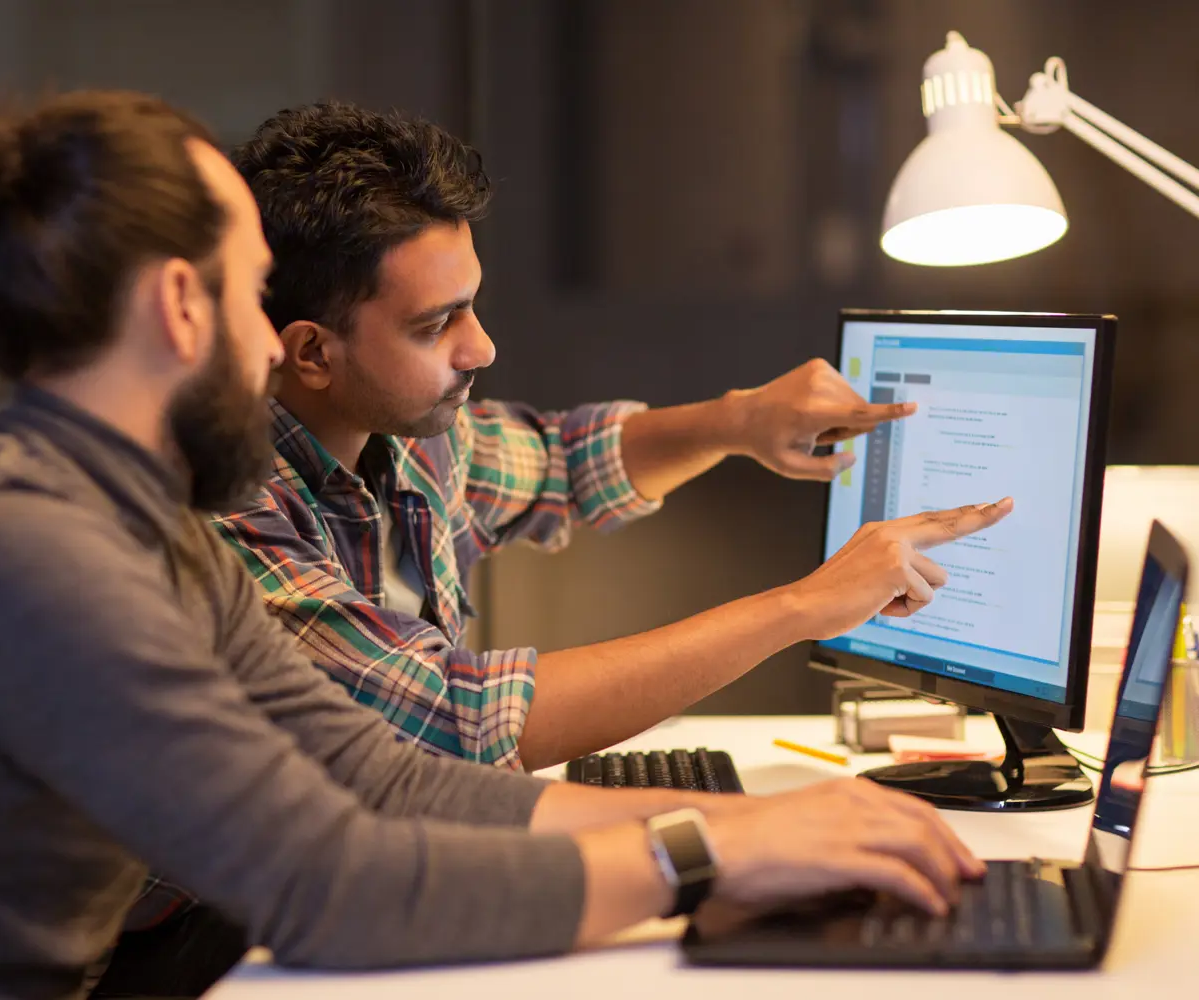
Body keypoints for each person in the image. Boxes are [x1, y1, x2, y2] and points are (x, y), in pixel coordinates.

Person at [0, 88, 995, 1000]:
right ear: (187, 306)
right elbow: (334, 881)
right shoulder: (25, 553)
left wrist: (789, 827)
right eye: (244, 289)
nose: (268, 342)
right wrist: (706, 852)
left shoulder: (144, 524)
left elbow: (388, 782)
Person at [217, 102, 1008, 770]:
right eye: (436, 325)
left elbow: (564, 463)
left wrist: (738, 422)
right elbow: (451, 722)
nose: (481, 348)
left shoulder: (411, 439)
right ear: (313, 352)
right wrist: (803, 606)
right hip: (220, 938)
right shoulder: (229, 513)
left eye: (472, 304)